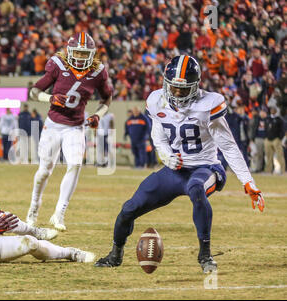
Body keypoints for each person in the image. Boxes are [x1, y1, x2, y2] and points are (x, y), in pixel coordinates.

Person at [95, 55, 265, 273]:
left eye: (183, 89)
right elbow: (159, 135)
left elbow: (229, 146)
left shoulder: (208, 105)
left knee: (196, 189)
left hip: (205, 168)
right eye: (173, 88)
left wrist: (248, 181)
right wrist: (166, 155)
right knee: (129, 209)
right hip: (174, 170)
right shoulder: (157, 100)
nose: (176, 93)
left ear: (195, 87)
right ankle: (115, 254)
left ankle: (205, 255)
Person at [25, 32, 113, 231]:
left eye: (84, 54)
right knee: (43, 172)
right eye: (78, 53)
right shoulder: (57, 64)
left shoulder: (98, 71)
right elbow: (34, 91)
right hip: (54, 125)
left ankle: (59, 214)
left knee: (74, 164)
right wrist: (50, 99)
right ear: (69, 52)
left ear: (91, 54)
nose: (81, 58)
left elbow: (106, 99)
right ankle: (33, 210)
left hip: (76, 126)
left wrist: (98, 114)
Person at [264, 106, 285, 174]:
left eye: (274, 110)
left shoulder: (279, 119)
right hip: (268, 139)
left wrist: (280, 138)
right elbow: (265, 128)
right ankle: (268, 171)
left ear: (276, 111)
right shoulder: (267, 118)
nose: (272, 111)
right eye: (271, 109)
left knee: (280, 155)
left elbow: (283, 129)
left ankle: (283, 170)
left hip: (276, 139)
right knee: (268, 156)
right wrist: (266, 136)